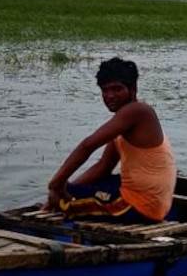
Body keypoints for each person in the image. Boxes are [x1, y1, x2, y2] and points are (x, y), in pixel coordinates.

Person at [44, 57, 176, 224]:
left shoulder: (138, 111)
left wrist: (56, 185)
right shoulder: (123, 124)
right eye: (105, 91)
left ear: (132, 90)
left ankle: (65, 205)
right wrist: (69, 188)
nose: (110, 96)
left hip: (140, 206)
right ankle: (65, 198)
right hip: (139, 198)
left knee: (62, 202)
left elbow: (88, 145)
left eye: (117, 89)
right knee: (92, 185)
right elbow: (103, 166)